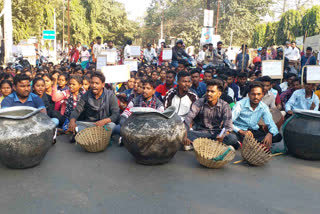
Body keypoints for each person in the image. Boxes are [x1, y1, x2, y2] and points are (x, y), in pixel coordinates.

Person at [184, 79, 239, 149]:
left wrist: (222, 135)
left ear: (219, 94)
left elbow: (228, 127)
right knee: (185, 134)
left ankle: (198, 145)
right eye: (207, 91)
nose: (209, 93)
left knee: (233, 138)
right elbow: (188, 119)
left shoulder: (225, 105)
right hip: (200, 133)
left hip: (216, 134)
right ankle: (215, 146)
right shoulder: (199, 102)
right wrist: (185, 135)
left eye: (212, 91)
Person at [231, 81, 282, 149]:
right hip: (240, 132)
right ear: (249, 94)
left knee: (277, 136)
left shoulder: (263, 107)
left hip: (253, 132)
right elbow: (228, 122)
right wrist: (241, 131)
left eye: (258, 94)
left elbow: (271, 124)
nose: (256, 97)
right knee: (231, 138)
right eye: (253, 94)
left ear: (262, 94)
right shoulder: (239, 105)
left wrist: (270, 134)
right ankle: (254, 143)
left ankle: (249, 143)